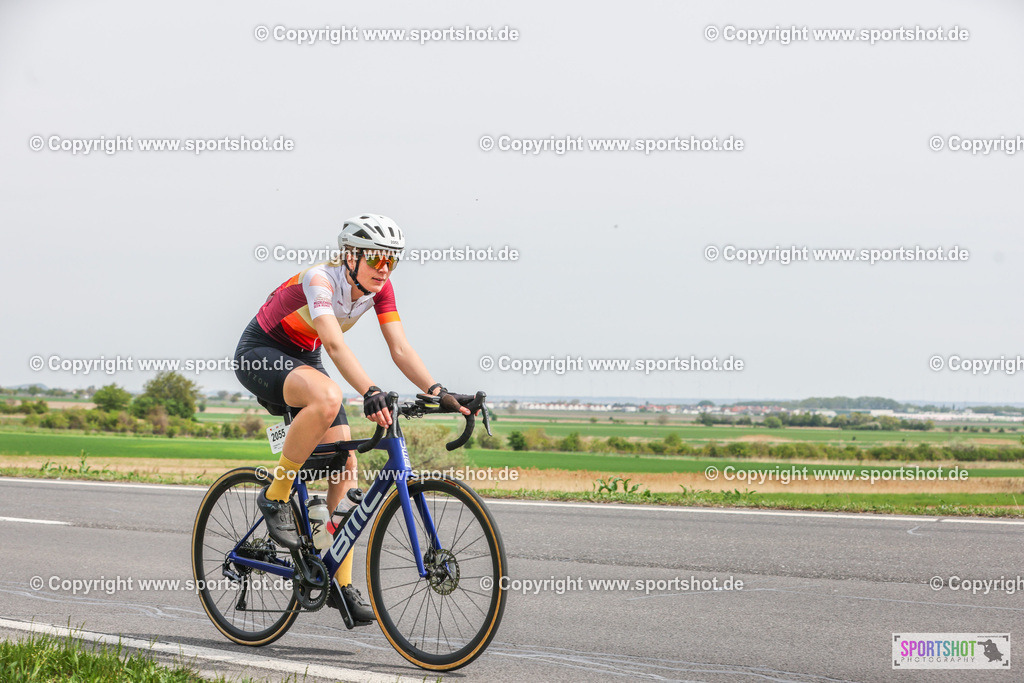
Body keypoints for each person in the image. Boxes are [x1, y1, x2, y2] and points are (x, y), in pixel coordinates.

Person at [233, 213, 470, 625]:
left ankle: (339, 582)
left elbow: (400, 347)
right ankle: (275, 493)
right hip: (261, 351)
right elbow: (334, 344)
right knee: (327, 396)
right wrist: (370, 391)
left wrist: (438, 390)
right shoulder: (319, 280)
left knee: (345, 464)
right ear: (351, 255)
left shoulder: (380, 289)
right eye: (377, 259)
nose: (384, 268)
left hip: (303, 358)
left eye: (392, 261)